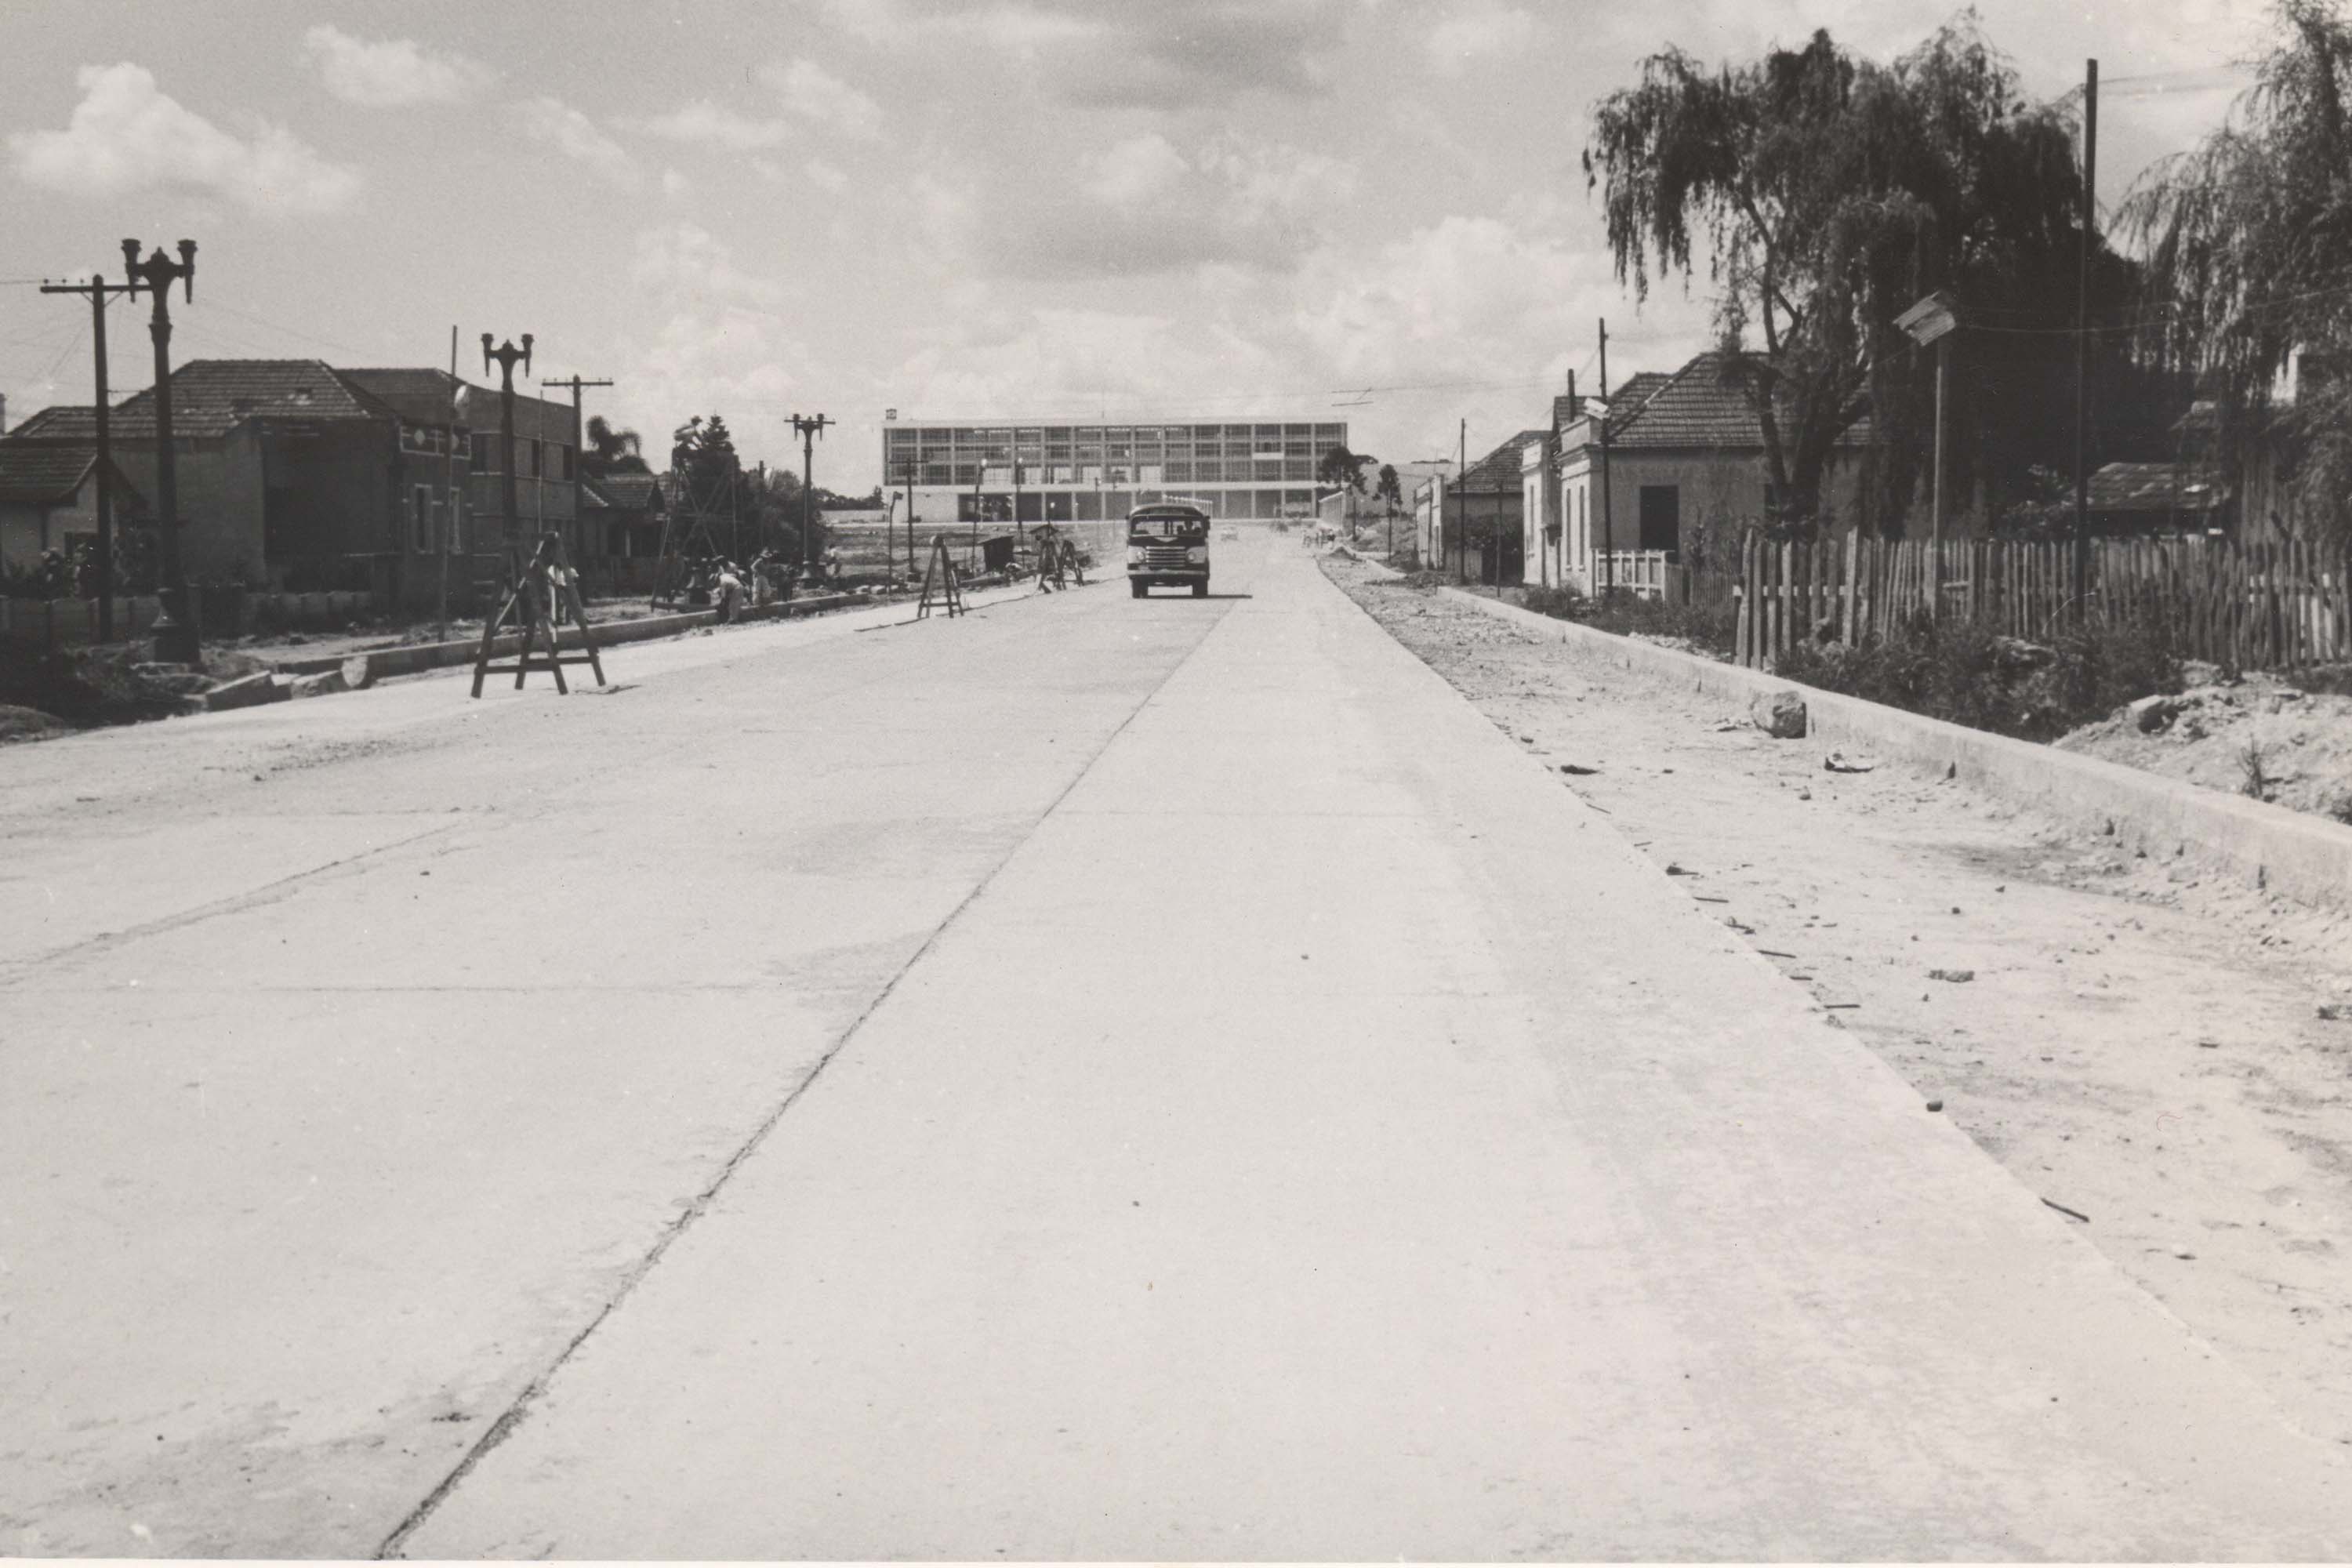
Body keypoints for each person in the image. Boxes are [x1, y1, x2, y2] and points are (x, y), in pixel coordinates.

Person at [713, 558, 745, 623]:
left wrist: (721, 603)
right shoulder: (723, 576)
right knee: (735, 604)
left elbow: (723, 597)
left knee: (732, 605)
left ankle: (733, 620)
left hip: (736, 587)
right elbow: (732, 576)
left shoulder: (722, 582)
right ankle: (734, 619)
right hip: (735, 586)